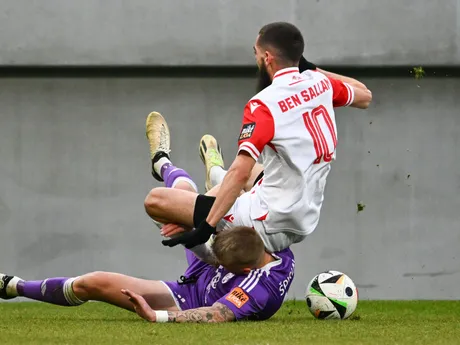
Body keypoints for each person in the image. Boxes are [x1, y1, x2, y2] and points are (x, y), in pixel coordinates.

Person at [145, 22, 372, 253]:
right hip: (305, 219)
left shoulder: (263, 104)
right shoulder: (321, 83)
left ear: (267, 57)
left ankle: (163, 163)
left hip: (265, 224)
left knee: (157, 202)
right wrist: (308, 68)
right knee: (254, 173)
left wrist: (206, 226)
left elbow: (240, 172)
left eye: (255, 53)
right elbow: (364, 95)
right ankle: (214, 172)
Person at [0, 225, 295, 323]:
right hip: (204, 274)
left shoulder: (259, 290)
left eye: (222, 261)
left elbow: (215, 315)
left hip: (190, 299)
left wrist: (158, 316)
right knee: (179, 202)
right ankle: (163, 162)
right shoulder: (274, 240)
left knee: (93, 283)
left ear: (243, 270)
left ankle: (14, 286)